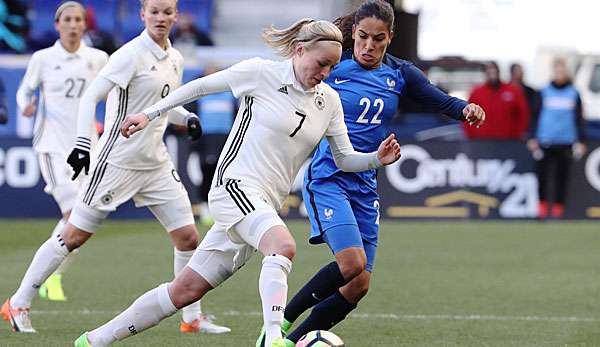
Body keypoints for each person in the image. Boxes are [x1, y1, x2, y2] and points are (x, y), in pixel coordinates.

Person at [73, 17, 401, 347]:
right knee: (283, 246)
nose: (326, 73)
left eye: (332, 66)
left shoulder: (327, 100)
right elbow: (198, 87)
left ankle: (92, 340)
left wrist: (375, 158)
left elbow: (344, 158)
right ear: (299, 51)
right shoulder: (261, 73)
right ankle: (274, 338)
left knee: (184, 291)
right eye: (321, 64)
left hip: (261, 205)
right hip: (234, 186)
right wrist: (150, 114)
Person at [253, 1, 485, 346]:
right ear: (354, 34)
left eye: (378, 39)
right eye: (363, 37)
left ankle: (289, 344)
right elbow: (292, 81)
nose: (369, 46)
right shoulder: (334, 65)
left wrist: (465, 108)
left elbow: (437, 99)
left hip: (365, 182)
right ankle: (278, 326)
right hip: (329, 177)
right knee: (351, 263)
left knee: (358, 284)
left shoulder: (400, 73)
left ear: (390, 38)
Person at [2, 0, 229, 336]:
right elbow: (90, 97)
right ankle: (18, 302)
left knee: (187, 237)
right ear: (143, 15)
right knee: (74, 234)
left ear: (176, 16)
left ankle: (191, 317)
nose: (161, 17)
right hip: (116, 161)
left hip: (154, 162)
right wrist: (83, 144)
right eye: (154, 11)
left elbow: (163, 103)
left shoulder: (176, 57)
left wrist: (186, 117)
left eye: (167, 12)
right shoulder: (129, 54)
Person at [7, 1, 109, 305]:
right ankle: (49, 278)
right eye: (67, 19)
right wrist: (26, 103)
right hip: (52, 147)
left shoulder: (97, 58)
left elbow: (116, 89)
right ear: (57, 24)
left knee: (82, 219)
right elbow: (25, 89)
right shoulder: (43, 58)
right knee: (73, 216)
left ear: (84, 24)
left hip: (87, 148)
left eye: (78, 19)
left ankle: (52, 273)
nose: (74, 24)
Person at [527, 58, 586, 219]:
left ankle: (558, 210)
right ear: (554, 72)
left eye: (563, 71)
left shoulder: (573, 93)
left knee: (562, 178)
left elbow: (579, 118)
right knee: (542, 178)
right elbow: (534, 116)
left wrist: (580, 140)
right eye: (557, 70)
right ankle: (542, 209)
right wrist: (532, 137)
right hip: (545, 141)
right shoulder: (544, 91)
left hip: (566, 141)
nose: (560, 74)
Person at [192, 65, 236, 226]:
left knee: (225, 176)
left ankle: (224, 211)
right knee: (207, 173)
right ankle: (205, 209)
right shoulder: (200, 97)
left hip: (226, 140)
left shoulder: (230, 96)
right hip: (206, 141)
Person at [464, 61, 527, 139]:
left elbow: (522, 115)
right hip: (482, 141)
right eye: (489, 70)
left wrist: (517, 135)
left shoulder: (513, 91)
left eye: (494, 70)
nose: (492, 73)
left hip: (507, 141)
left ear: (498, 71)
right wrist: (472, 135)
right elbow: (468, 115)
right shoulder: (476, 92)